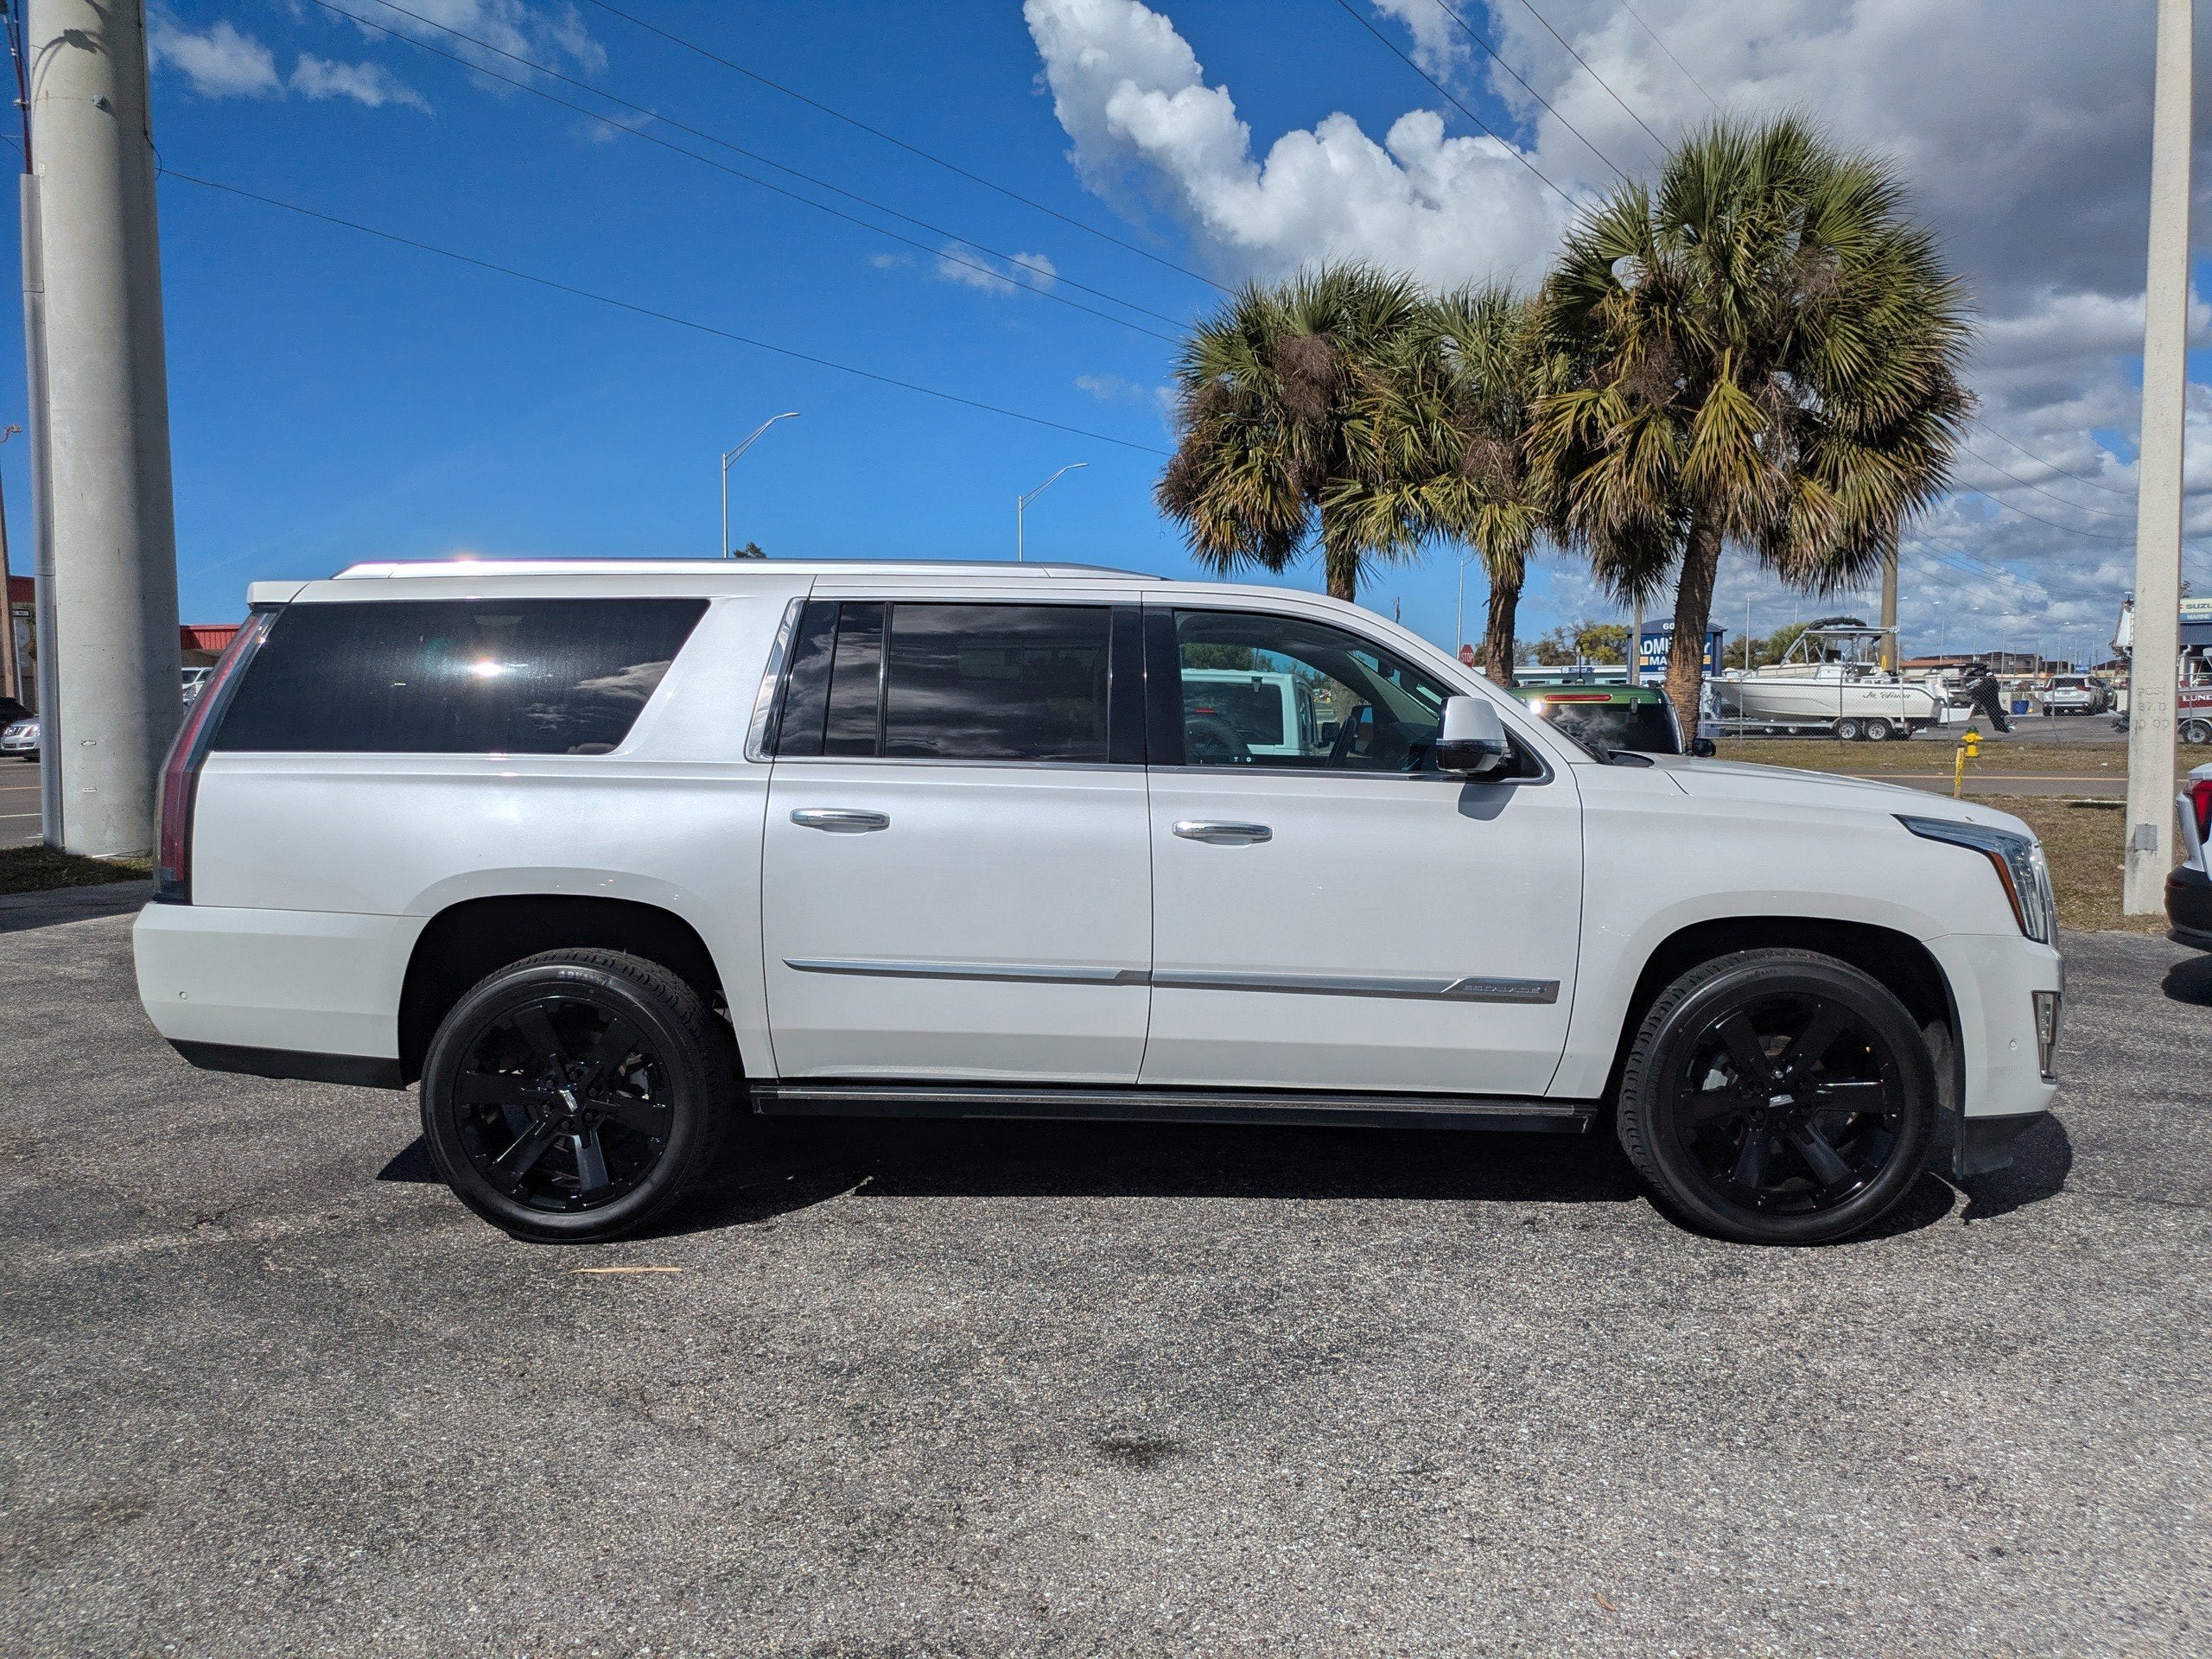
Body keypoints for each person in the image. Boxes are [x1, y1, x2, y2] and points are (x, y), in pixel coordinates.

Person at [1957, 662, 2012, 734]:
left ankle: (2000, 726)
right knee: (1994, 709)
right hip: (1988, 692)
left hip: (1987, 692)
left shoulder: (1979, 674)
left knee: (1994, 709)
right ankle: (2000, 726)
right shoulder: (1981, 673)